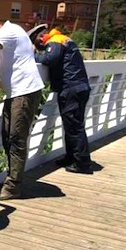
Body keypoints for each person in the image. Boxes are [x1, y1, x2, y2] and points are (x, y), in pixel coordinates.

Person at [0, 15, 45, 200]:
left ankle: (13, 187)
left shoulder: (7, 33)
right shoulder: (10, 33)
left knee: (16, 138)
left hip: (24, 91)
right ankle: (11, 180)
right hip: (16, 92)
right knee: (7, 136)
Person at [28, 24, 93, 174]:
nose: (39, 46)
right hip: (78, 87)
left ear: (40, 36)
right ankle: (71, 157)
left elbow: (50, 59)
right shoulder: (64, 39)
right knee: (71, 124)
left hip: (70, 88)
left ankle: (82, 163)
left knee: (74, 126)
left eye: (36, 42)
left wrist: (32, 55)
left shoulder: (55, 41)